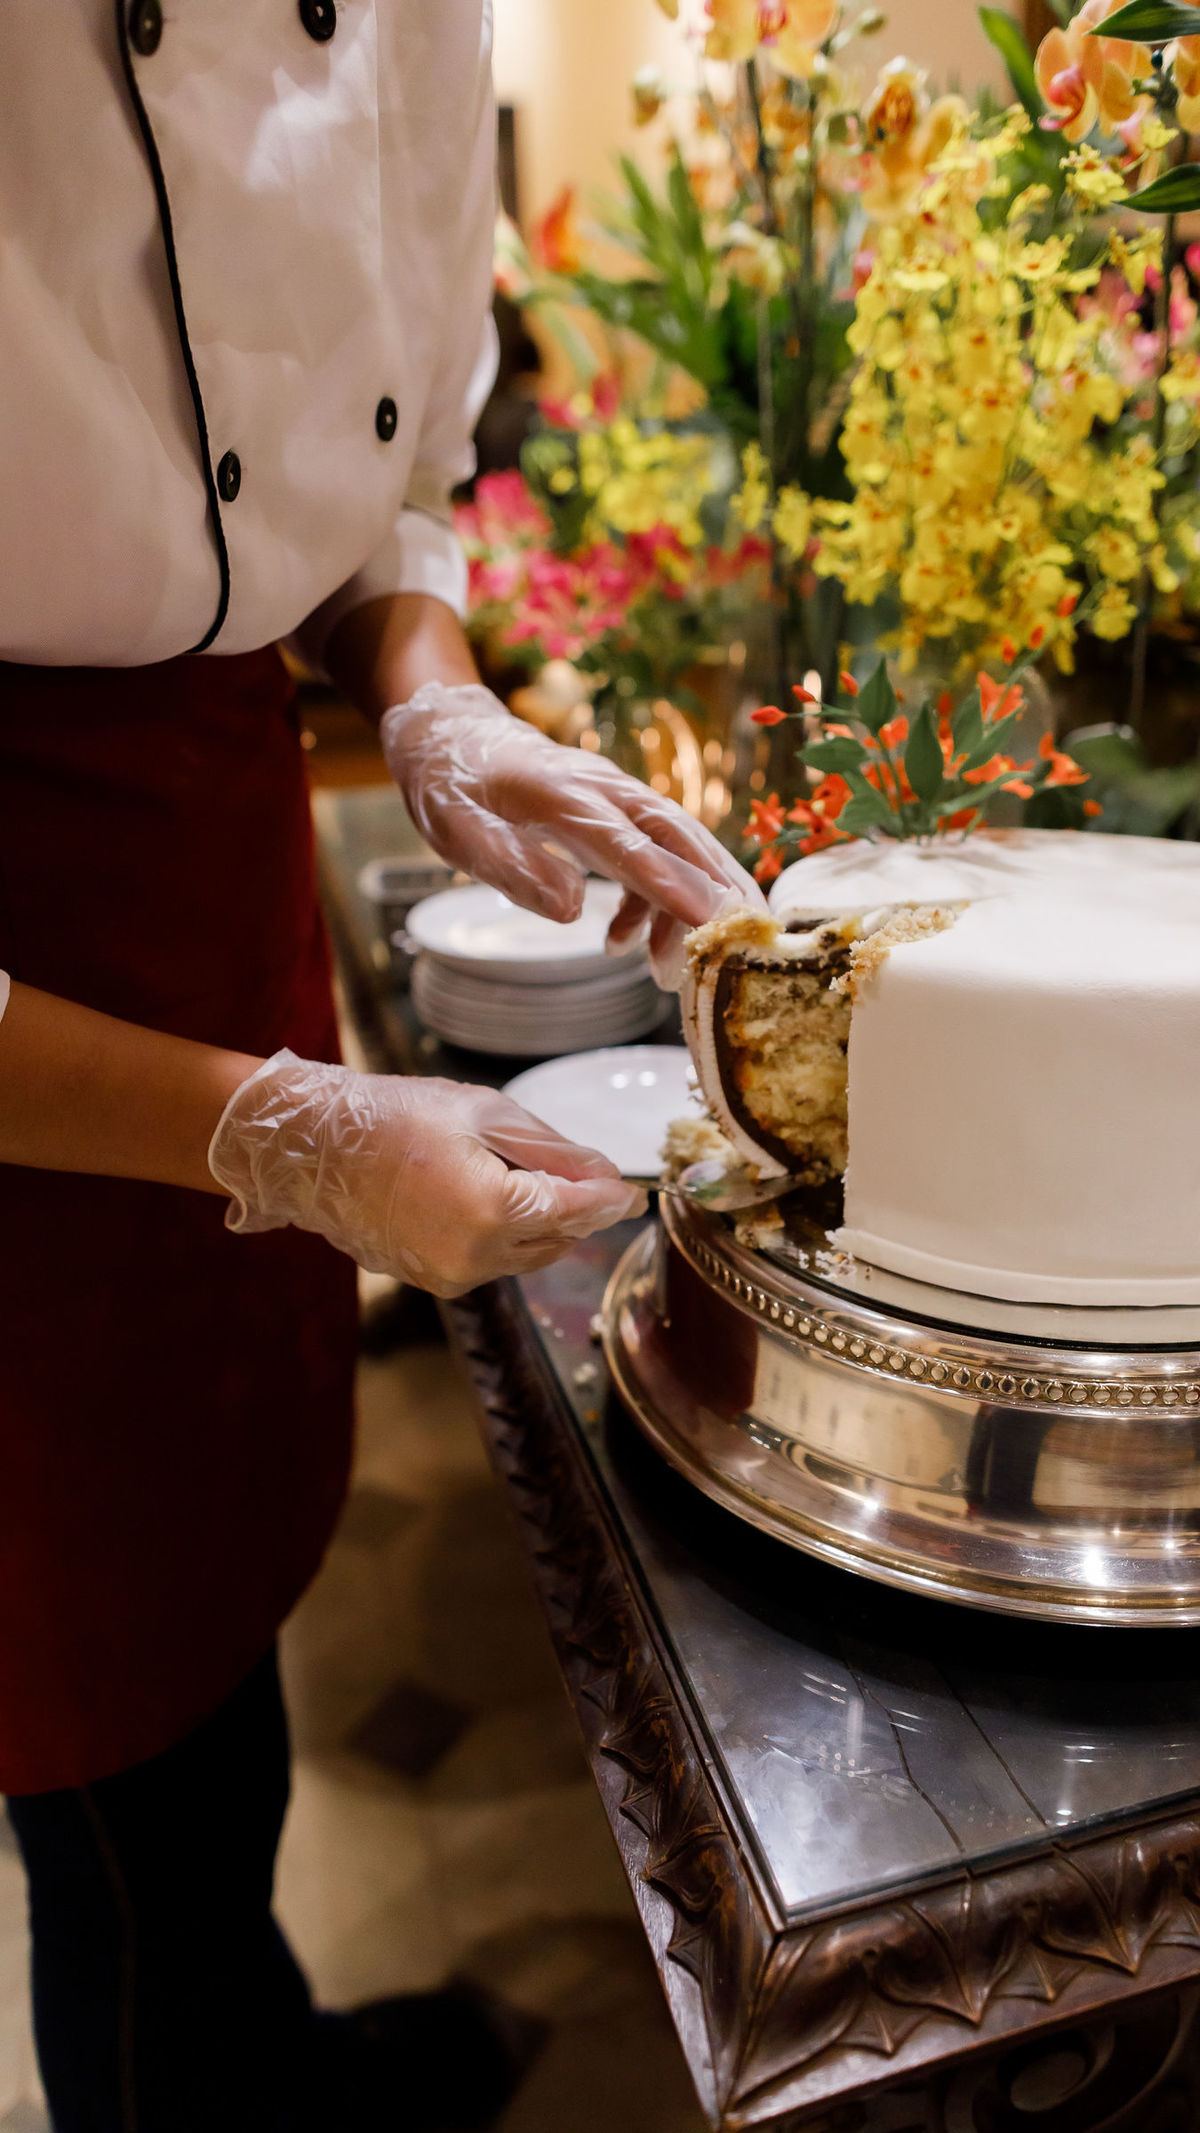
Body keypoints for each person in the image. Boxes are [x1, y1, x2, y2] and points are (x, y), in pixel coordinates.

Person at [0, 5, 759, 2128]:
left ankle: (254, 2043)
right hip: (35, 1043)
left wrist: (434, 699)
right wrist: (276, 1124)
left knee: (216, 1654)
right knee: (109, 1781)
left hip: (207, 856)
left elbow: (366, 477)